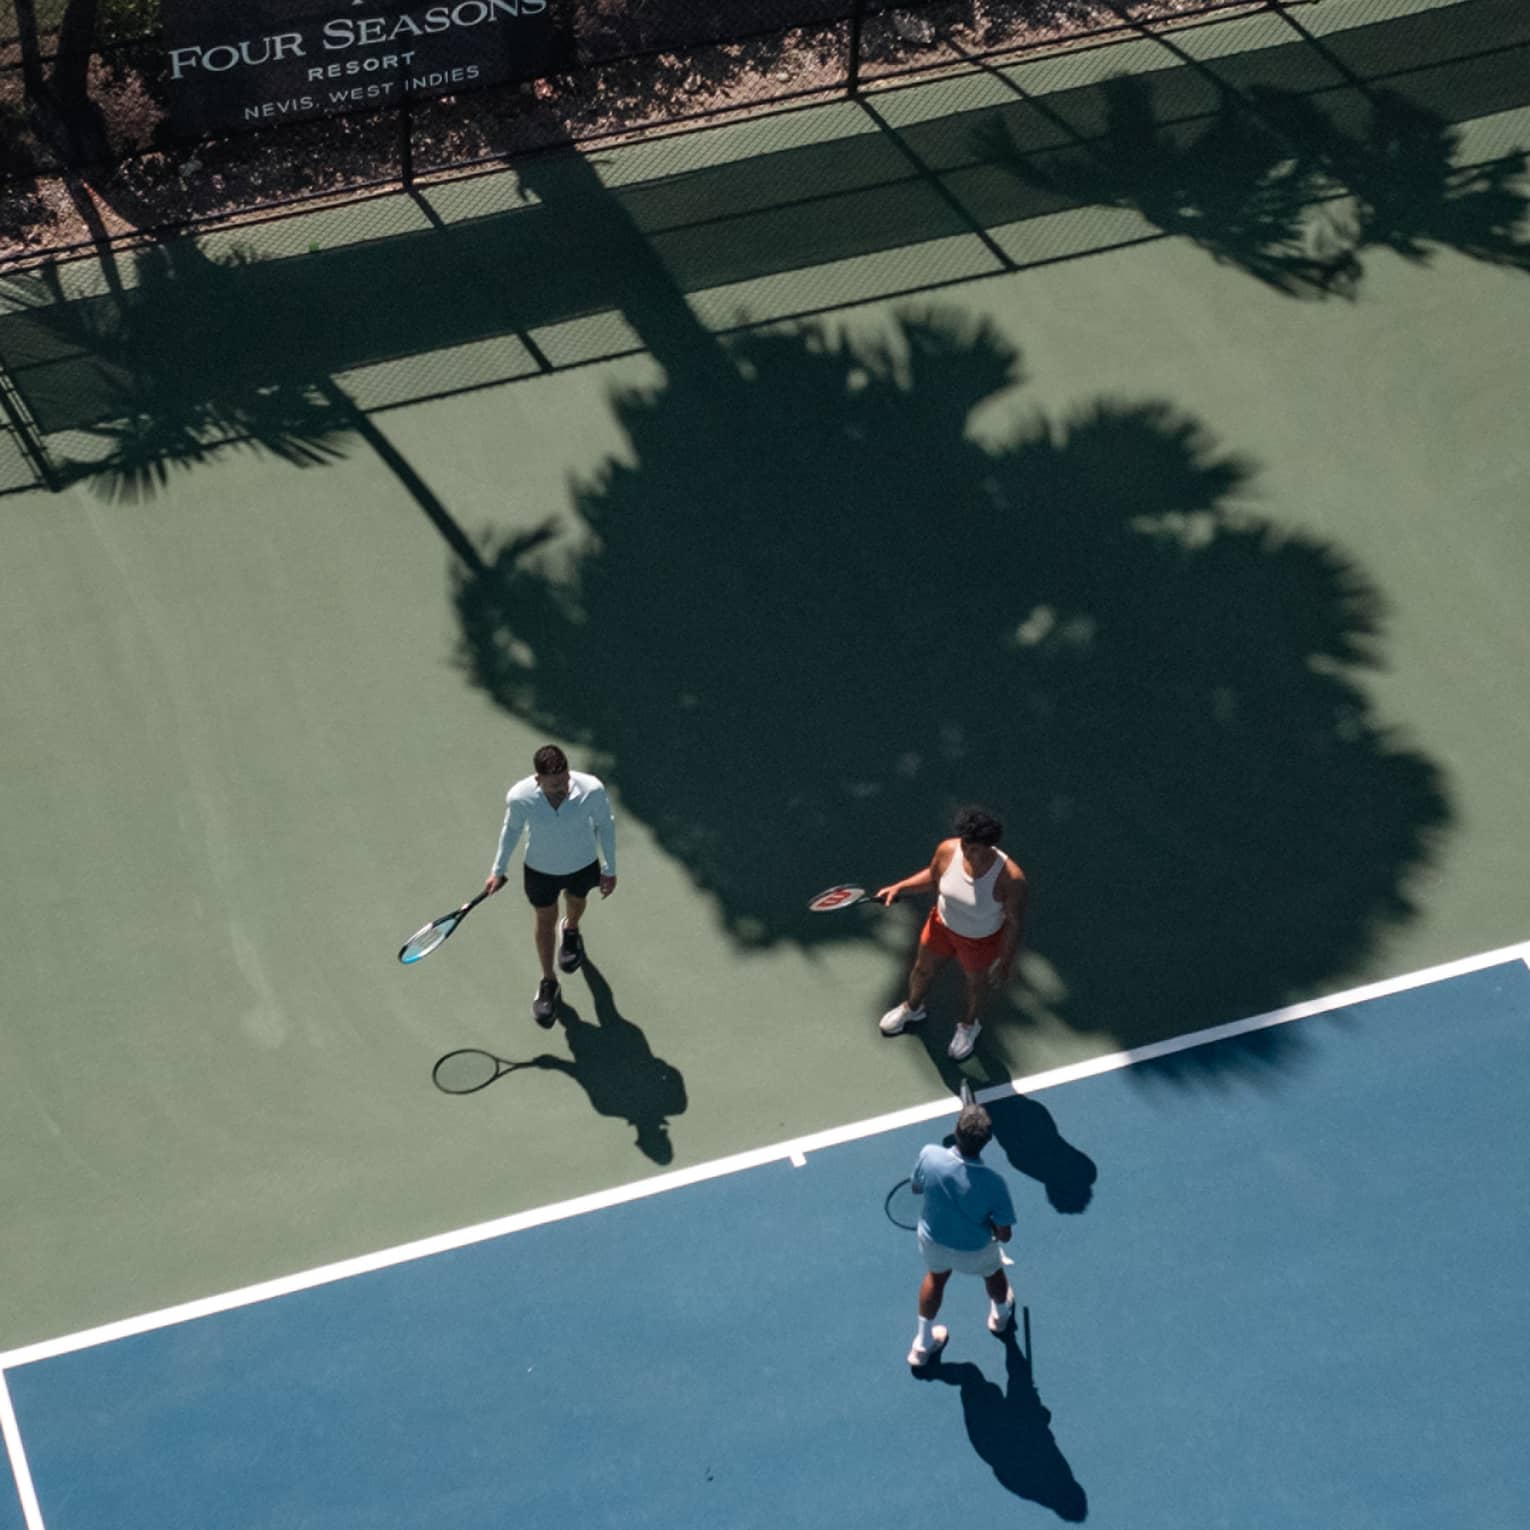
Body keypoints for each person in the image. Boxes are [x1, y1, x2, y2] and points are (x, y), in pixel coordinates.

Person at [876, 806, 1027, 1062]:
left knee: (974, 987)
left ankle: (969, 1026)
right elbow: (934, 877)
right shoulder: (948, 849)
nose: (968, 851)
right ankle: (913, 1008)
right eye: (967, 844)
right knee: (922, 970)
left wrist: (1006, 961)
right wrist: (900, 888)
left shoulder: (1011, 878)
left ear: (990, 846)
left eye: (976, 847)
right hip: (940, 926)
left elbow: (1014, 923)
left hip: (981, 940)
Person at [484, 744, 617, 1024]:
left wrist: (610, 868)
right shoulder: (520, 798)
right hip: (540, 871)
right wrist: (498, 869)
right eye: (554, 784)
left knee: (577, 903)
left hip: (582, 866)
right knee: (544, 920)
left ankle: (570, 930)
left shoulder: (591, 789)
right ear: (538, 779)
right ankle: (548, 982)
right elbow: (511, 831)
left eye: (565, 779)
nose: (563, 787)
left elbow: (606, 825)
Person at [905, 1101, 1017, 1369]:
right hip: (975, 1249)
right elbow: (1004, 1235)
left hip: (933, 1240)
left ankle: (922, 1346)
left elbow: (916, 1188)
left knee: (936, 1278)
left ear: (956, 1131)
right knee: (994, 1273)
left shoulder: (929, 1155)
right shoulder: (994, 1183)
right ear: (986, 1142)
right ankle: (1000, 1319)